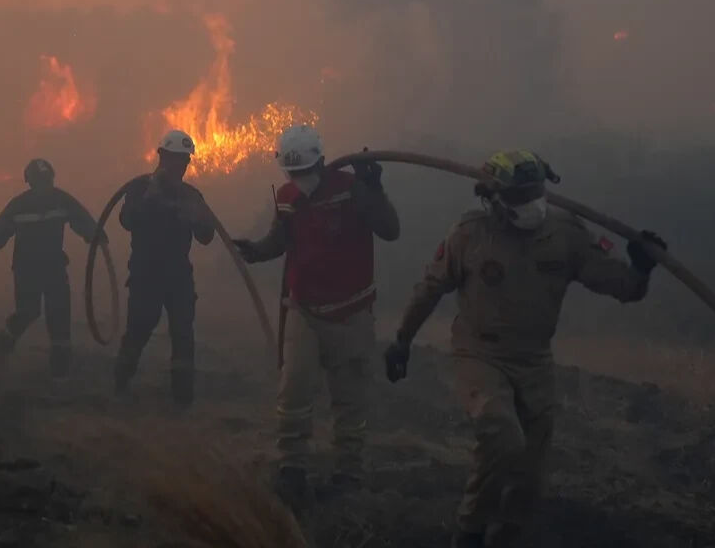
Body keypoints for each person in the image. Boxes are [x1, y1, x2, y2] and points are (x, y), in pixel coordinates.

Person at [383, 150, 667, 548]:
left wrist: (640, 268)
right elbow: (430, 288)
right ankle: (469, 532)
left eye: (535, 192)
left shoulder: (567, 234)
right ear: (494, 199)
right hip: (479, 355)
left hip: (534, 361)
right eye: (519, 196)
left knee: (529, 475)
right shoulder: (469, 235)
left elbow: (620, 286)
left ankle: (506, 538)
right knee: (502, 435)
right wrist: (402, 339)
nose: (531, 204)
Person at [233, 126, 400, 507]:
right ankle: (291, 468)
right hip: (304, 310)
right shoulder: (289, 197)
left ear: (322, 162)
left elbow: (391, 230)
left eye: (306, 170)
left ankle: (348, 472)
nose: (300, 180)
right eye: (293, 174)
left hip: (351, 311)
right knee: (293, 390)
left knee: (349, 399)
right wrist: (257, 251)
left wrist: (375, 193)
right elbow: (281, 240)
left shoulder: (352, 188)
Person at [0, 158, 104, 377]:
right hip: (27, 270)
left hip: (54, 268)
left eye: (47, 181)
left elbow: (82, 220)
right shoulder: (18, 205)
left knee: (59, 315)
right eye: (40, 182)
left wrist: (97, 236)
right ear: (31, 183)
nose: (44, 187)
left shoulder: (62, 200)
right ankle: (4, 343)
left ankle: (60, 372)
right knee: (28, 311)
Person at [113, 129, 215, 405]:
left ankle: (183, 400)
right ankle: (118, 385)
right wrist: (150, 199)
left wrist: (198, 219)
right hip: (146, 274)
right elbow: (127, 220)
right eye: (175, 159)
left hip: (179, 277)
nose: (180, 166)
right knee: (140, 327)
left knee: (183, 333)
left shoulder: (192, 195)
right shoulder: (139, 188)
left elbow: (207, 237)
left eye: (184, 160)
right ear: (161, 156)